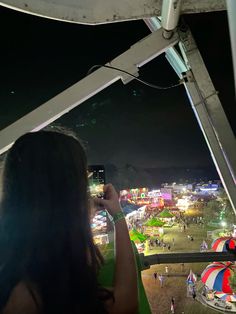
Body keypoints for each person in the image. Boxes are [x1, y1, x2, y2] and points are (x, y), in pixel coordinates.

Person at [0, 130, 138, 314]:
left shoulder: (19, 269)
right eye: (82, 183)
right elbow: (125, 303)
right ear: (69, 196)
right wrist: (118, 215)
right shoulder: (25, 298)